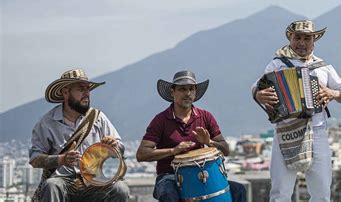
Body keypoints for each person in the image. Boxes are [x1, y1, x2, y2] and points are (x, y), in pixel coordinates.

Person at [252, 20, 341, 202]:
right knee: (280, 192)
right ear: (290, 38)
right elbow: (256, 87)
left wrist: (332, 92)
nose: (302, 43)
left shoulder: (323, 67)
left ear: (314, 41)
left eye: (307, 38)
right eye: (298, 38)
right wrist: (259, 95)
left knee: (321, 192)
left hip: (317, 133)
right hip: (285, 131)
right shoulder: (276, 64)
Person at [136, 70, 247, 201]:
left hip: (202, 175)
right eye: (182, 89)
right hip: (169, 175)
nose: (188, 93)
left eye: (191, 89)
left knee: (238, 190)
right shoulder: (160, 120)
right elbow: (141, 154)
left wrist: (210, 142)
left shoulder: (206, 117)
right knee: (168, 194)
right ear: (173, 92)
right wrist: (173, 151)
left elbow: (226, 150)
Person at [29, 69, 129, 202]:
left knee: (120, 188)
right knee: (52, 185)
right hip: (63, 182)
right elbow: (35, 159)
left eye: (88, 89)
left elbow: (120, 148)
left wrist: (113, 145)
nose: (87, 94)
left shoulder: (98, 118)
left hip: (94, 182)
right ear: (65, 92)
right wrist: (61, 159)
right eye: (81, 89)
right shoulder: (47, 123)